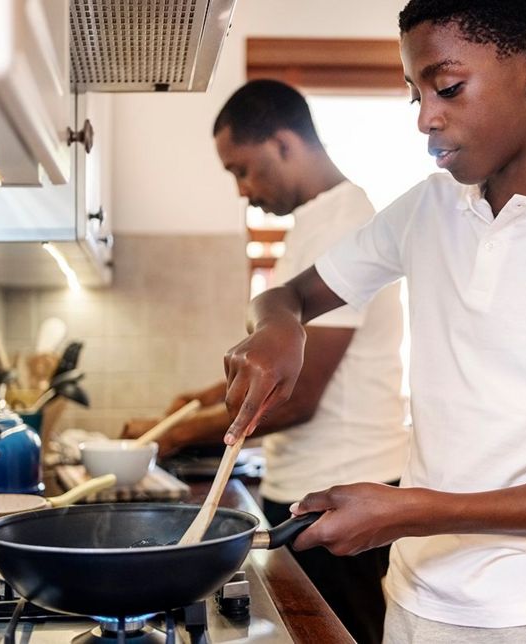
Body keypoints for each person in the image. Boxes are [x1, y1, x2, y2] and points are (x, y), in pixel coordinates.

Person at [219, 1, 526, 643]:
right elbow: (289, 296)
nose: (425, 118)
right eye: (413, 94)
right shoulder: (430, 208)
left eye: (447, 88)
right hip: (415, 602)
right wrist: (281, 325)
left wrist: (411, 511)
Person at [122, 79, 408, 644]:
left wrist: (176, 438)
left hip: (345, 489)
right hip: (310, 483)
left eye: (242, 169)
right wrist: (201, 401)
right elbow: (282, 359)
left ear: (284, 143)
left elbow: (298, 396)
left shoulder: (342, 221)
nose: (242, 189)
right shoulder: (316, 221)